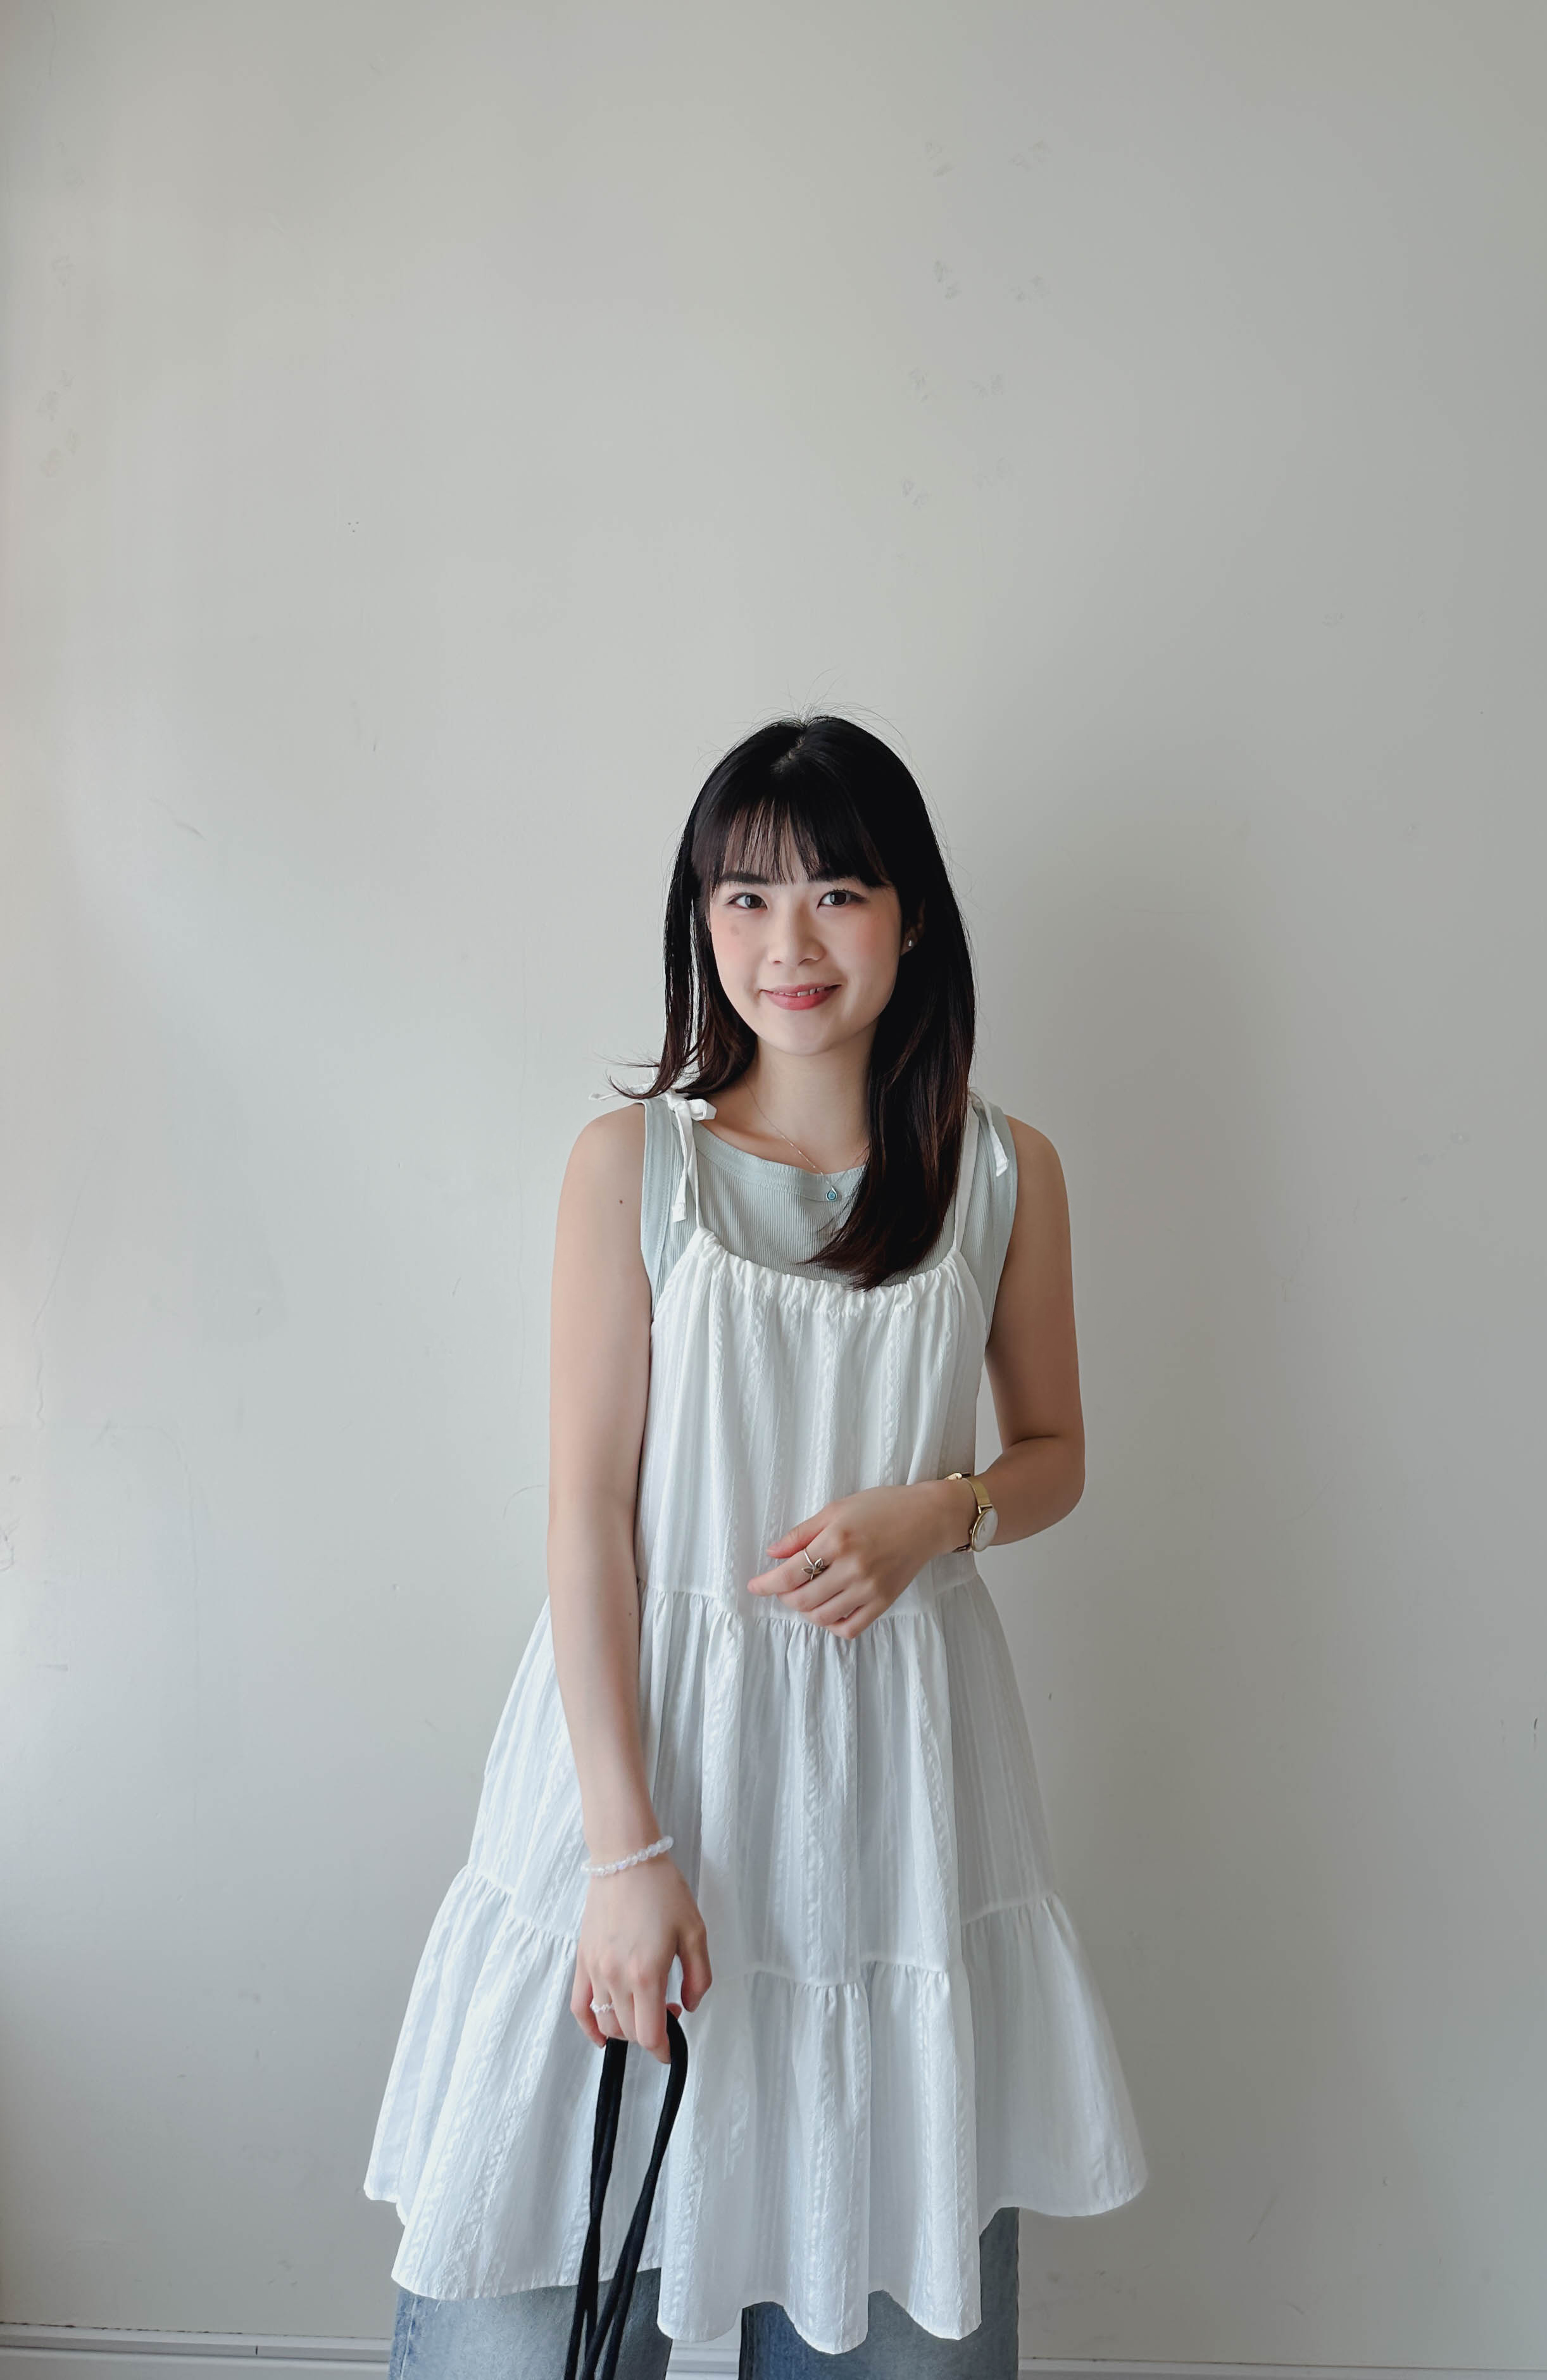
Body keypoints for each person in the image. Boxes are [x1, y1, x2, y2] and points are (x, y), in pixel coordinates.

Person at [365, 716, 1148, 2376]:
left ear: (913, 918)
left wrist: (942, 1514)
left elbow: (1058, 1455)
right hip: (644, 1764)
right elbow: (588, 1514)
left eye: (837, 894)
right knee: (530, 2308)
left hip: (894, 1797)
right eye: (744, 899)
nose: (787, 943)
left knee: (884, 2290)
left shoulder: (1003, 1176)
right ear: (700, 922)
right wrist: (622, 1854)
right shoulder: (633, 1166)